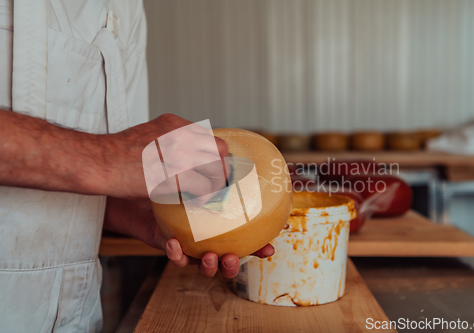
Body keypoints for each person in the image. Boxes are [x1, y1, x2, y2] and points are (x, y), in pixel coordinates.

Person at [0, 1, 273, 332]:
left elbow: (120, 170)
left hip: (73, 315)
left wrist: (136, 211)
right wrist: (103, 157)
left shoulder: (124, 7)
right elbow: (113, 158)